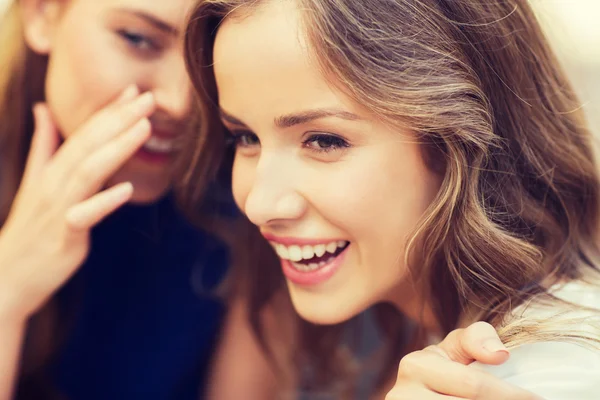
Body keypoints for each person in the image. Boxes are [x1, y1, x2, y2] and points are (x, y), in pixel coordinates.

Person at [183, 0, 600, 398]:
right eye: (245, 137)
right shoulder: (410, 330)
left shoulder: (535, 373)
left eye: (325, 140)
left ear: (457, 136)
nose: (259, 204)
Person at [0, 1, 230, 399]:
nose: (180, 101)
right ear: (41, 13)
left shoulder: (242, 207)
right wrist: (10, 290)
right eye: (139, 40)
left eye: (208, 55)